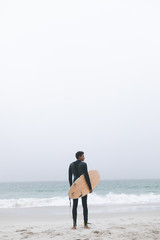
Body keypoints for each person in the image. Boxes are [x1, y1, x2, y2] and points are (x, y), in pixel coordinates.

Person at [68, 151, 93, 230]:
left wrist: (71, 188)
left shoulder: (71, 165)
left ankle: (74, 225)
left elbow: (69, 178)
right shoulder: (84, 164)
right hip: (83, 186)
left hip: (75, 186)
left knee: (74, 206)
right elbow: (86, 176)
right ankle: (85, 224)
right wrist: (90, 187)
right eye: (83, 156)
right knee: (84, 205)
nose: (84, 157)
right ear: (79, 157)